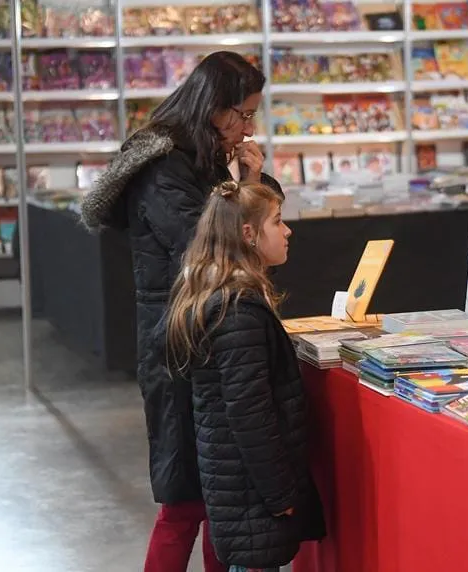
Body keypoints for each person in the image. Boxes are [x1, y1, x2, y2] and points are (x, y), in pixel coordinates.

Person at [78, 51, 283, 571]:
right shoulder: (162, 164)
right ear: (213, 107)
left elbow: (240, 232)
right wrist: (251, 188)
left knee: (222, 498)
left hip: (210, 332)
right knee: (184, 500)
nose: (246, 127)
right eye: (242, 114)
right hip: (178, 343)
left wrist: (253, 181)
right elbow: (208, 243)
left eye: (252, 116)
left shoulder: (207, 155)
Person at [165, 181, 326, 572]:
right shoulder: (238, 314)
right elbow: (249, 414)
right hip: (252, 492)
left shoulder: (220, 299)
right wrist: (280, 494)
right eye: (278, 221)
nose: (287, 231)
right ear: (249, 234)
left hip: (240, 487)